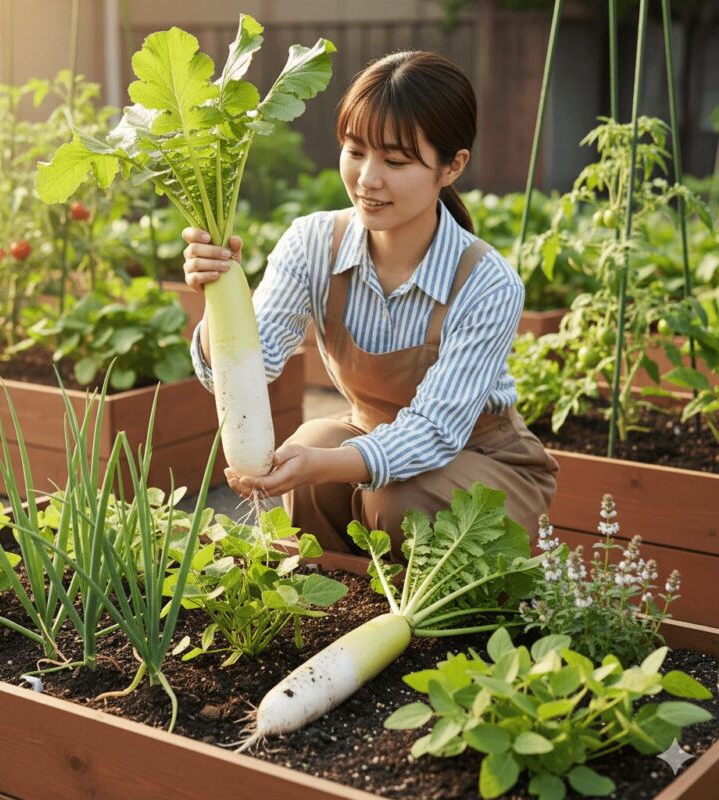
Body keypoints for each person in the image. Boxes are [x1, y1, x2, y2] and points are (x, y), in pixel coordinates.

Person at [182, 50, 559, 556]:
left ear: (452, 166)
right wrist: (218, 292)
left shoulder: (487, 283)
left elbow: (433, 433)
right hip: (371, 434)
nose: (367, 179)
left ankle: (443, 620)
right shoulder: (312, 243)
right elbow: (258, 361)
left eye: (396, 161)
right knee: (315, 444)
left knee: (393, 496)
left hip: (480, 460)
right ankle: (340, 601)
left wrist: (324, 464)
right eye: (355, 151)